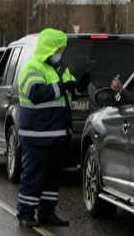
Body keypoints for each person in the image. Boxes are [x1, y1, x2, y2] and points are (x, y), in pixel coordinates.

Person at [16, 28, 91, 228]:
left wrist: (79, 88)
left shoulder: (61, 70)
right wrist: (64, 87)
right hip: (37, 134)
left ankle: (47, 213)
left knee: (52, 178)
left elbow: (65, 96)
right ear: (48, 48)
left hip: (57, 133)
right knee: (33, 175)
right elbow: (36, 92)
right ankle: (25, 213)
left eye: (62, 49)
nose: (60, 53)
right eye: (58, 49)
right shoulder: (32, 67)